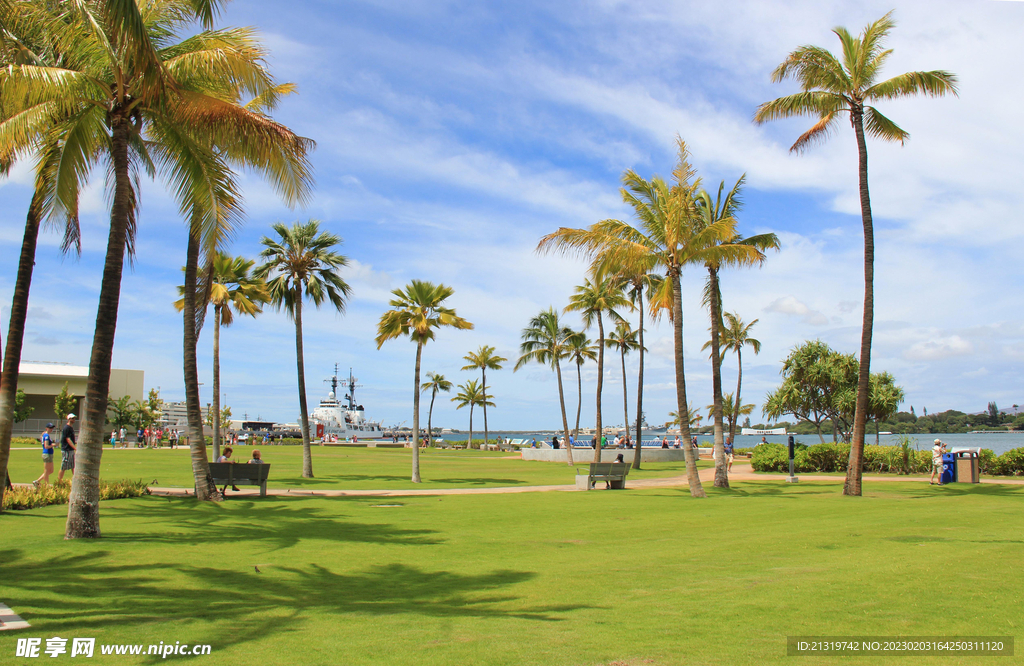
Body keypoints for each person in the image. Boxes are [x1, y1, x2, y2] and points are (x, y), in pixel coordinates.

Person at [34, 423, 57, 487]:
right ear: (46, 428)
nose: (51, 429)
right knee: (47, 470)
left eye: (52, 428)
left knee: (51, 470)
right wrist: (53, 445)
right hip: (47, 453)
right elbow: (46, 446)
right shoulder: (46, 436)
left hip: (49, 454)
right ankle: (46, 485)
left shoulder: (46, 435)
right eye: (50, 428)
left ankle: (37, 481)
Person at [57, 413, 77, 482]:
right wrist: (75, 448)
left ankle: (76, 480)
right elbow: (68, 439)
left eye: (74, 418)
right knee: (64, 466)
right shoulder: (67, 428)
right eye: (72, 418)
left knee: (73, 466)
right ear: (68, 419)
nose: (73, 419)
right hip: (66, 450)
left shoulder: (71, 428)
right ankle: (59, 481)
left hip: (70, 450)